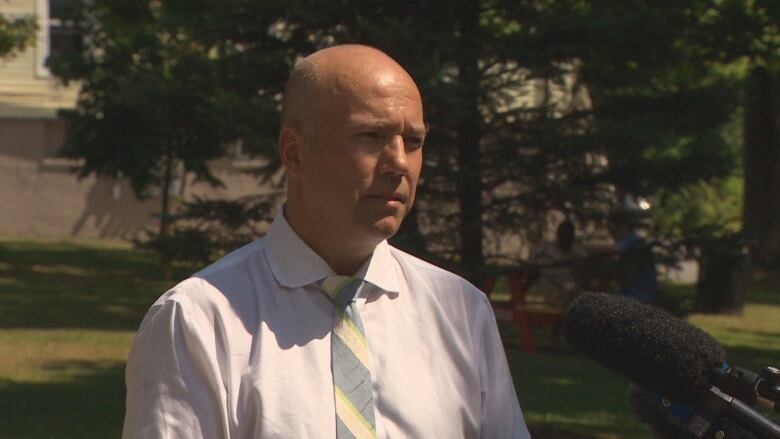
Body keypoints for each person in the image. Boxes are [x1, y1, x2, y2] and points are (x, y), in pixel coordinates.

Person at [123, 45, 530, 438]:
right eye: (370, 136)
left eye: (414, 141)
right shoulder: (198, 321)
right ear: (294, 153)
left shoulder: (461, 312)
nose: (400, 162)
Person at [531, 219, 588, 309]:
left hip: (571, 292)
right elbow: (535, 261)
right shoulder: (547, 252)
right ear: (558, 236)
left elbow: (585, 256)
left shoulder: (576, 253)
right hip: (554, 291)